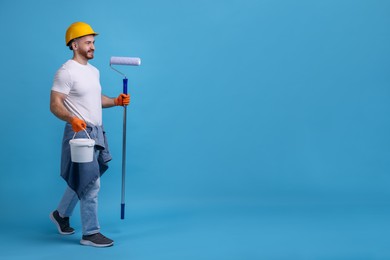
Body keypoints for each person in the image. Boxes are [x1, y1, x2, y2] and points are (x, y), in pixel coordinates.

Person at [49, 22, 130, 247]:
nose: (92, 46)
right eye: (88, 42)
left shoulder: (93, 71)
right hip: (79, 133)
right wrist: (71, 119)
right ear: (74, 45)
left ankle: (60, 214)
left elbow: (95, 99)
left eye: (93, 42)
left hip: (96, 132)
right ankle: (90, 233)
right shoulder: (66, 71)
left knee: (83, 179)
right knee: (91, 183)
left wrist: (115, 101)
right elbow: (55, 104)